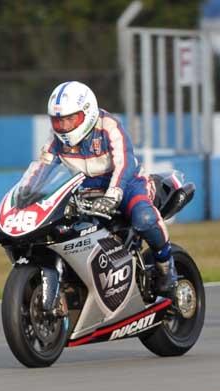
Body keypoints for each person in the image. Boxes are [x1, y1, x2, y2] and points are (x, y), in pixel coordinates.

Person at [41, 81, 177, 295]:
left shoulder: (108, 125)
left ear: (87, 112)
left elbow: (125, 162)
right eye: (59, 121)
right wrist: (26, 195)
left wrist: (113, 194)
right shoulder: (56, 141)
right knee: (69, 232)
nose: (64, 127)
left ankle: (166, 265)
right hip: (85, 189)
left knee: (144, 218)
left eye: (70, 119)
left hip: (128, 183)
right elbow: (41, 169)